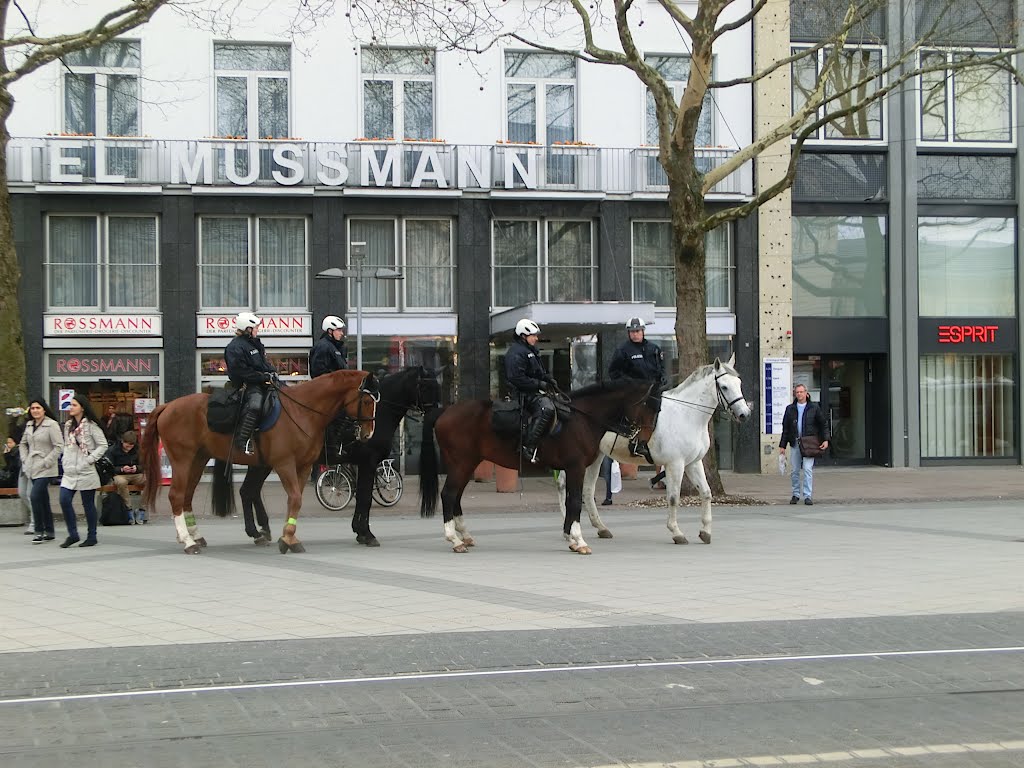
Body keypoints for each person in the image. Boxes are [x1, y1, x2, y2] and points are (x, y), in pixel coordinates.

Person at [606, 316, 666, 498]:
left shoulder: (653, 349)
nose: (635, 334)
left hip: (653, 391)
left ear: (643, 331)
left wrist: (662, 378)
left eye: (638, 331)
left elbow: (661, 369)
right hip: (633, 393)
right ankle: (637, 443)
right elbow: (613, 373)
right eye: (632, 331)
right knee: (637, 414)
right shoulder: (623, 350)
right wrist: (629, 384)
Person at [504, 318, 557, 463]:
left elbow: (537, 372)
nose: (536, 338)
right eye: (533, 335)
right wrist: (539, 384)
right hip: (522, 394)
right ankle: (528, 446)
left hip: (532, 391)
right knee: (546, 409)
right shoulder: (516, 352)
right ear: (523, 336)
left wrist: (548, 379)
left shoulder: (530, 350)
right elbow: (516, 378)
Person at [59, 394, 108, 547]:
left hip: (86, 470)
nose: (71, 408)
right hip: (70, 471)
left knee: (88, 504)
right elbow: (67, 445)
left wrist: (89, 460)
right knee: (64, 500)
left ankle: (92, 536)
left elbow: (103, 445)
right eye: (70, 405)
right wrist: (64, 459)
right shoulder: (68, 425)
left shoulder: (91, 426)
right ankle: (73, 534)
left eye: (74, 405)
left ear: (82, 407)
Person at [225, 311, 277, 455]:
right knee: (255, 404)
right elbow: (240, 371)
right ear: (248, 328)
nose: (257, 330)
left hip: (261, 383)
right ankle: (242, 440)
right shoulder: (235, 347)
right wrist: (261, 377)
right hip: (246, 385)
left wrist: (271, 371)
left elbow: (263, 364)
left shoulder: (255, 344)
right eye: (255, 328)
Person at [19, 398, 62, 544]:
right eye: (32, 408)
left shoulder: (52, 425)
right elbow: (23, 444)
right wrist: (25, 459)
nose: (35, 411)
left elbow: (58, 446)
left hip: (46, 467)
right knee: (43, 499)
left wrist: (46, 461)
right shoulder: (29, 425)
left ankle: (38, 530)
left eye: (38, 408)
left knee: (35, 495)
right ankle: (49, 530)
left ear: (44, 409)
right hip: (31, 466)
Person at [778, 383, 829, 506]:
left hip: (809, 443)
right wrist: (782, 445)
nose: (799, 394)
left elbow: (823, 424)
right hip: (795, 443)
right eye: (797, 392)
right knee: (795, 470)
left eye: (801, 392)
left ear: (806, 393)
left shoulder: (814, 408)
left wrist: (825, 439)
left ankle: (807, 495)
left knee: (807, 469)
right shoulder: (790, 409)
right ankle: (795, 494)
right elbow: (786, 428)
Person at [104, 430, 146, 523]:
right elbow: (109, 467)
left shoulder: (138, 450)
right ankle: (128, 509)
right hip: (119, 474)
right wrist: (122, 469)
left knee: (149, 482)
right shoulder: (113, 450)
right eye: (127, 445)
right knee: (121, 482)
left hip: (135, 474)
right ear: (122, 441)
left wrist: (137, 468)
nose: (129, 447)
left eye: (132, 445)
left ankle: (142, 509)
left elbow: (144, 465)